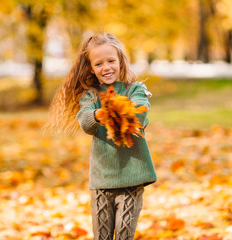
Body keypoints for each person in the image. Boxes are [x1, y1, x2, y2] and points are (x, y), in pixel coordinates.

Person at [47, 33, 157, 240]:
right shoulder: (91, 96)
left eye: (111, 61)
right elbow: (86, 122)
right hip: (102, 181)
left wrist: (119, 109)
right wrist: (100, 113)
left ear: (121, 61)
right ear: (90, 68)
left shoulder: (136, 90)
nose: (106, 67)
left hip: (131, 178)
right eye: (98, 64)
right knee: (102, 236)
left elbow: (139, 115)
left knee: (124, 235)